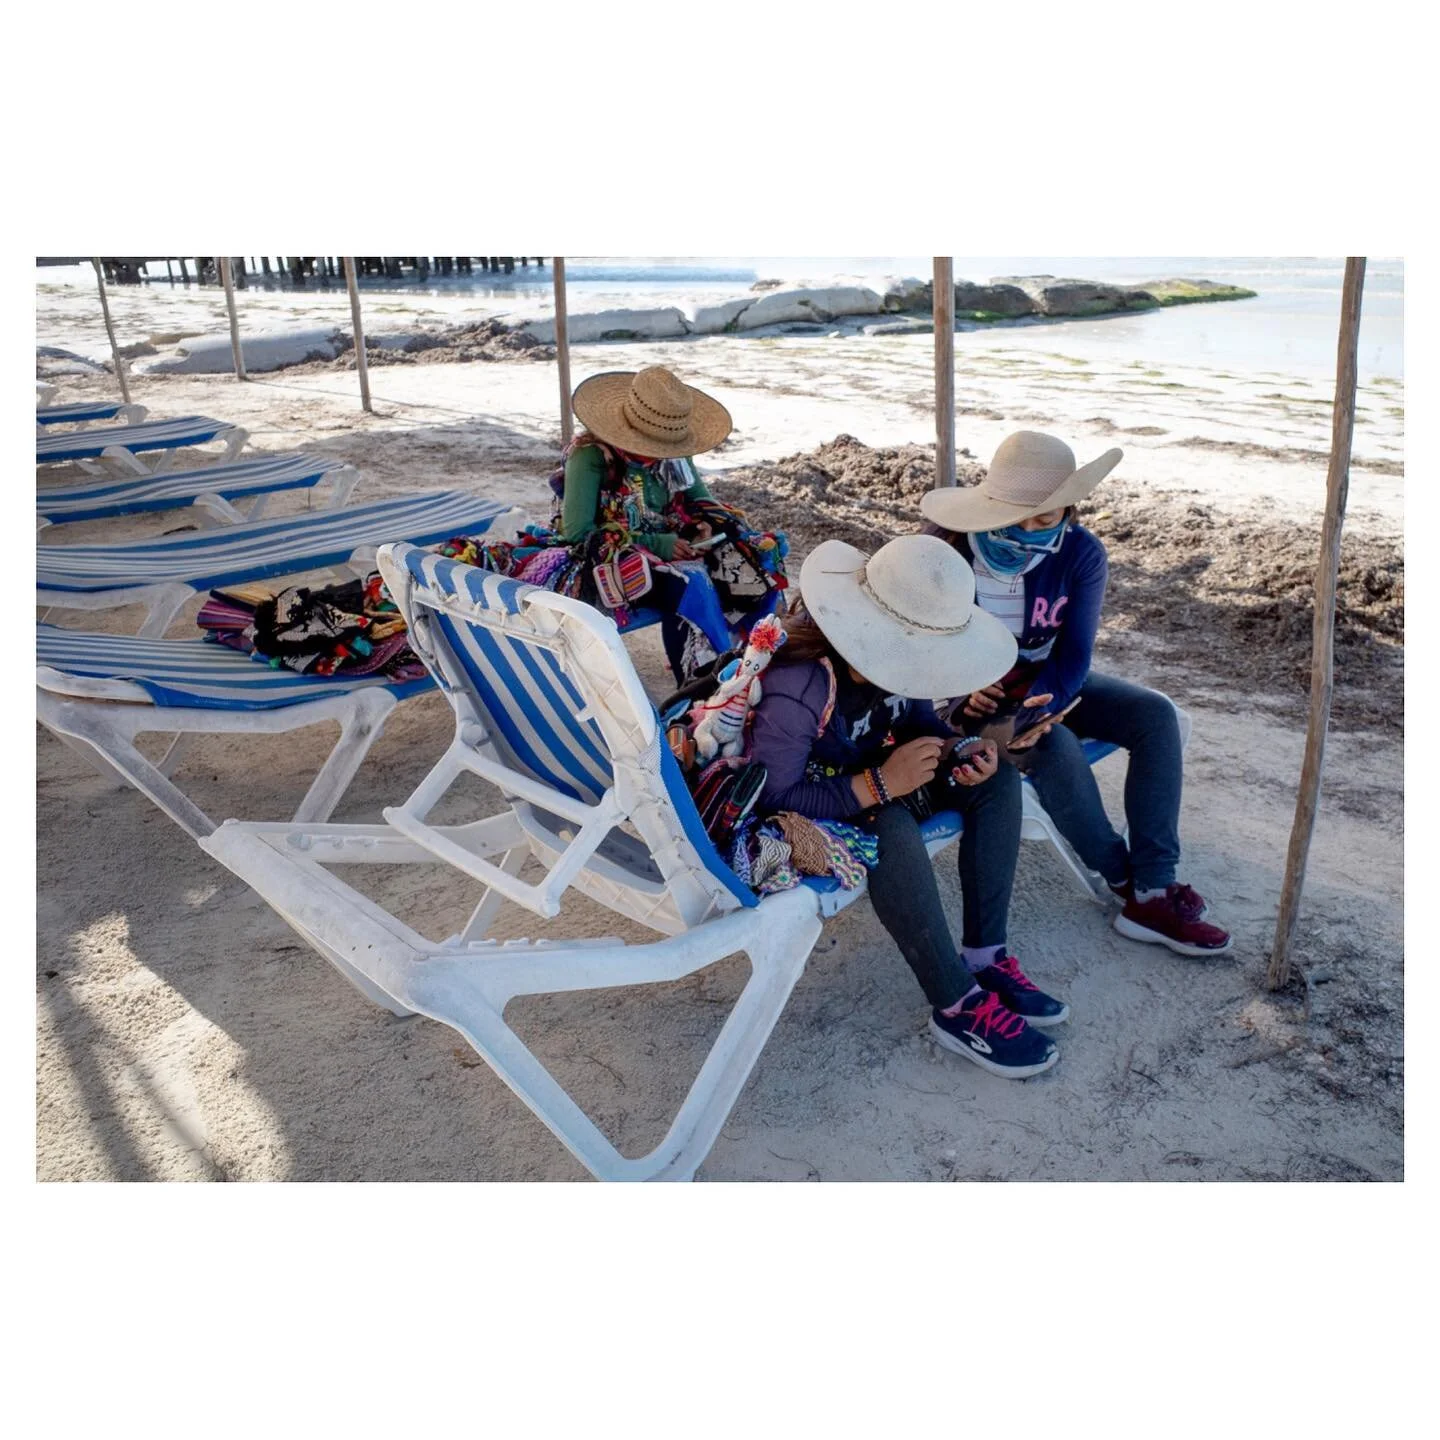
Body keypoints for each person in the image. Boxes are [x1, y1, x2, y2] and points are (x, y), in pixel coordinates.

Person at [747, 532, 1066, 1079]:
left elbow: (917, 724)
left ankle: (985, 956)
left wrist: (959, 748)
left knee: (997, 779)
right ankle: (955, 1003)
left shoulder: (901, 660)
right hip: (805, 805)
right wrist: (875, 786)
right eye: (918, 653)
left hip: (874, 778)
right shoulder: (799, 683)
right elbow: (771, 793)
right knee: (889, 826)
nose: (925, 667)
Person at [920, 430, 1232, 956]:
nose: (1027, 530)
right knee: (1056, 748)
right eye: (1015, 516)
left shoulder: (1082, 554)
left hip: (1045, 682)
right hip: (964, 698)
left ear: (1071, 510)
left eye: (1047, 518)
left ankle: (1154, 883)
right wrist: (957, 700)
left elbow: (1074, 655)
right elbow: (911, 644)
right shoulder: (944, 547)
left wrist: (1042, 704)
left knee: (1154, 715)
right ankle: (1124, 882)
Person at [557, 366, 786, 682]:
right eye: (653, 445)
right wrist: (658, 545)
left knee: (758, 569)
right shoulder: (591, 457)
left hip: (673, 549)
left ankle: (758, 662)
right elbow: (577, 533)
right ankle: (713, 679)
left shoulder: (674, 454)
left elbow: (701, 503)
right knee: (693, 583)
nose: (658, 454)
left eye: (664, 447)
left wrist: (707, 527)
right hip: (610, 561)